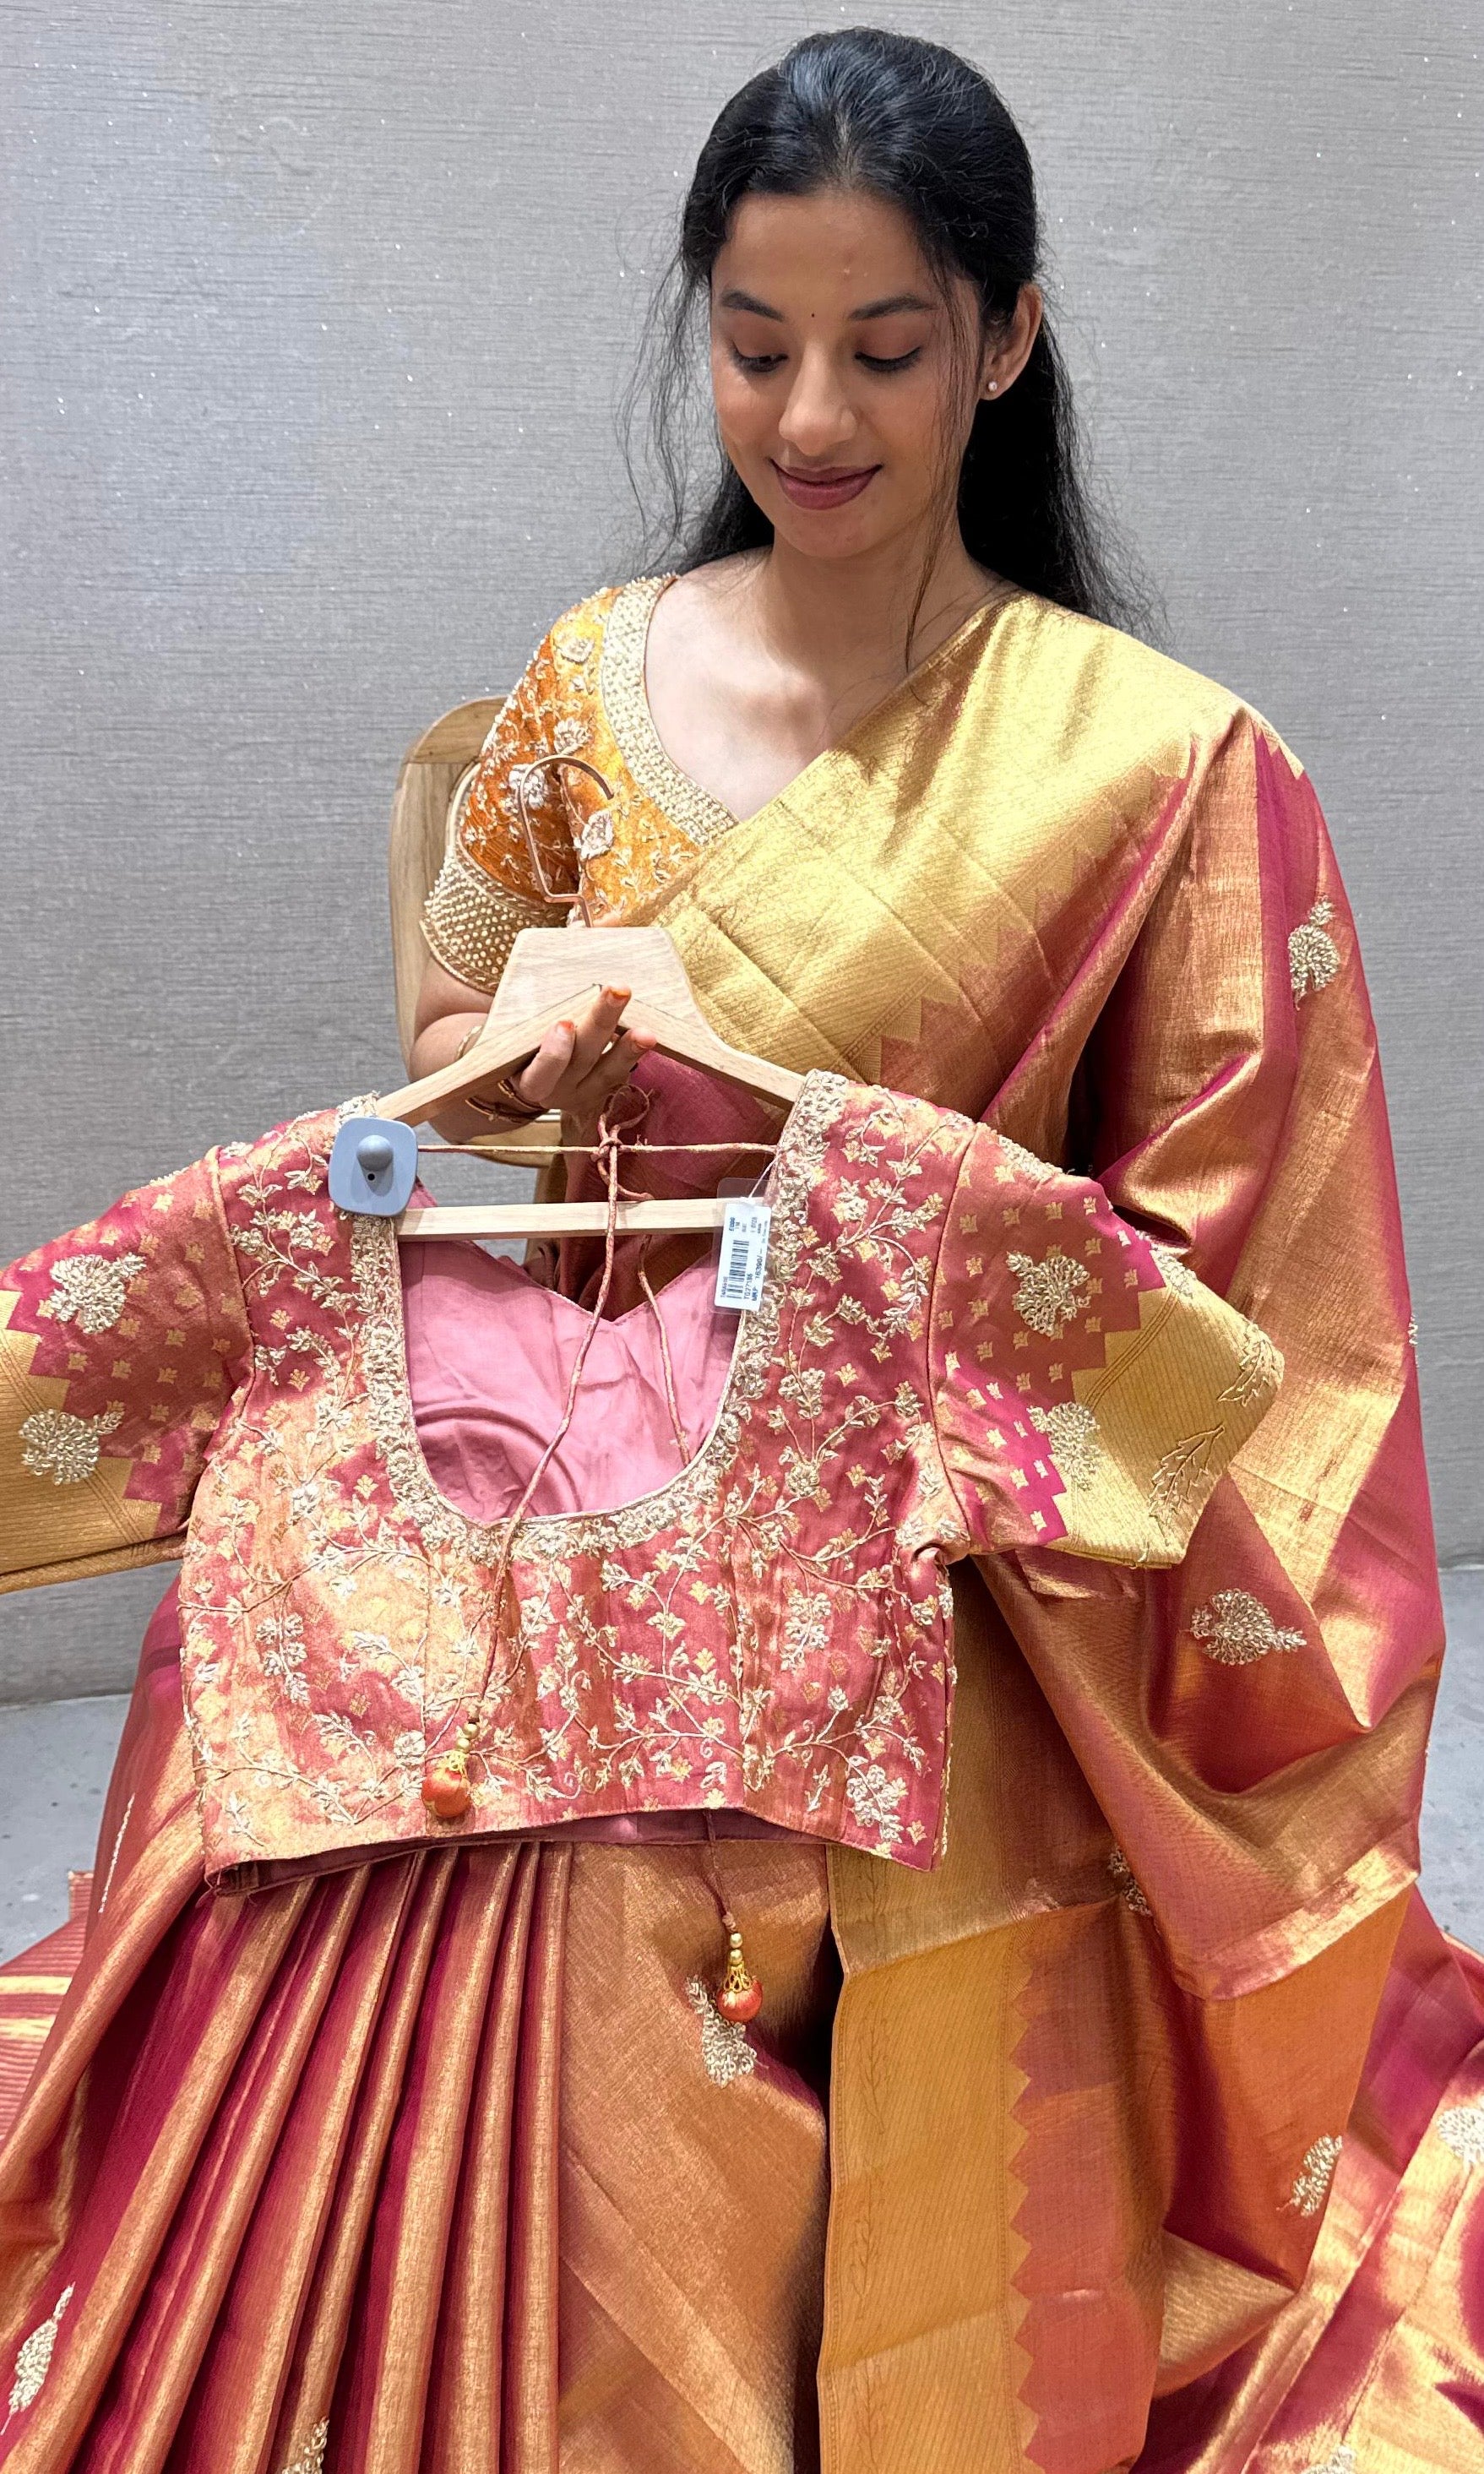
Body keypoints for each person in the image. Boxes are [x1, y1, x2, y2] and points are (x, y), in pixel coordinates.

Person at [1, 29, 1477, 2474]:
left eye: (886, 348)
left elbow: (1226, 1340)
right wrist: (523, 1059)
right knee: (270, 1744)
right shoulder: (597, 676)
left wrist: (825, 1140)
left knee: (618, 1940)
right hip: (579, 1467)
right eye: (753, 339)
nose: (810, 412)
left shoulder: (1161, 770)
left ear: (1005, 339)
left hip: (951, 1557)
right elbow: (458, 1003)